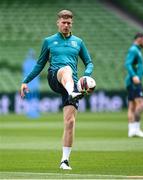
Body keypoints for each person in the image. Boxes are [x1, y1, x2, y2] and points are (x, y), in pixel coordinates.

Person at [20, 10, 94, 169]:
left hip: (72, 83)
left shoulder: (78, 42)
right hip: (55, 77)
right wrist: (25, 81)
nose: (66, 25)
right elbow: (40, 64)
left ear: (71, 23)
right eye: (63, 22)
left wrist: (86, 76)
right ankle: (73, 92)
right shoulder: (49, 41)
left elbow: (89, 62)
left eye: (69, 23)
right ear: (58, 22)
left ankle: (64, 161)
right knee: (66, 69)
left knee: (70, 122)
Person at [124, 32, 143, 138]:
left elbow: (136, 67)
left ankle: (131, 130)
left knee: (132, 106)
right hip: (134, 81)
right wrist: (134, 76)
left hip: (131, 81)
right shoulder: (134, 50)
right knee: (140, 105)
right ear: (139, 39)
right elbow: (127, 64)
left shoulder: (136, 50)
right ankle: (136, 129)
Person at [22, 48, 40, 118]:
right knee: (34, 98)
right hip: (34, 84)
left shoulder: (25, 63)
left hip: (28, 84)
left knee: (29, 99)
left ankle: (30, 112)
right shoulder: (35, 63)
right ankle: (33, 112)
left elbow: (24, 74)